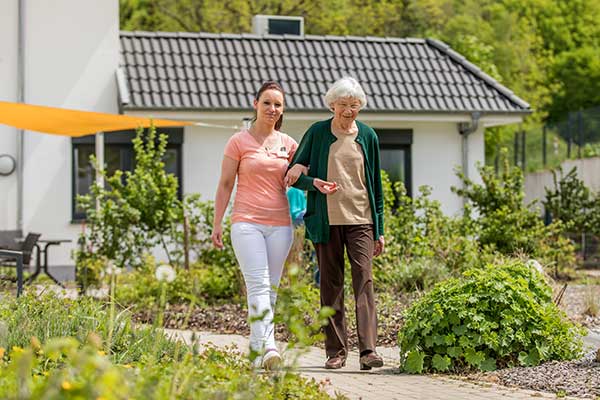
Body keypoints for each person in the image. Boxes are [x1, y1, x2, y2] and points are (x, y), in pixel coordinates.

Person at [285, 77, 385, 370]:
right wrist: (314, 182)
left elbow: (375, 186)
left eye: (354, 106)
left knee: (364, 281)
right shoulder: (317, 133)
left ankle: (368, 351)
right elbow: (292, 175)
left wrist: (379, 230)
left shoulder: (368, 136)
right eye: (343, 105)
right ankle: (336, 352)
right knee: (330, 285)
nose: (349, 111)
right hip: (326, 220)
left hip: (362, 220)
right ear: (332, 105)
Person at [211, 81, 302, 370]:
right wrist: (217, 223)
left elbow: (306, 172)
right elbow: (225, 184)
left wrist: (301, 167)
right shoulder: (238, 141)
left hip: (281, 226)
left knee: (270, 290)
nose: (272, 109)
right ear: (255, 104)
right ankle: (271, 348)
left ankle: (255, 353)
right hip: (246, 223)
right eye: (267, 103)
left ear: (282, 109)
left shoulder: (289, 144)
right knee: (259, 284)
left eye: (278, 104)